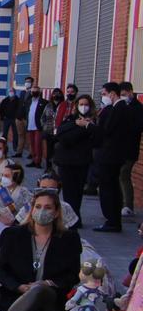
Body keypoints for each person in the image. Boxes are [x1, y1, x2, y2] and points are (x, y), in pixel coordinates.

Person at [53, 93, 95, 227]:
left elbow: (89, 136)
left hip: (81, 161)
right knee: (68, 191)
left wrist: (82, 128)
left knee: (77, 191)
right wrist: (76, 124)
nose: (84, 107)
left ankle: (75, 218)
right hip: (65, 161)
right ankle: (71, 218)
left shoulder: (92, 121)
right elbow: (60, 132)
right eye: (81, 104)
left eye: (86, 104)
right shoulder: (71, 118)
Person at [94, 82, 127, 232]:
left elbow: (107, 130)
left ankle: (112, 220)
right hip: (113, 155)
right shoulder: (119, 108)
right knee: (111, 186)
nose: (103, 97)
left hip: (110, 156)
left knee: (108, 187)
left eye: (104, 94)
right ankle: (113, 219)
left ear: (112, 94)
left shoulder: (118, 109)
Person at [118, 81, 143, 219]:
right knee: (120, 175)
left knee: (123, 174)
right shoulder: (122, 106)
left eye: (124, 94)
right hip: (120, 148)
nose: (123, 97)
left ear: (130, 93)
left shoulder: (137, 108)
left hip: (129, 148)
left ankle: (128, 206)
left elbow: (137, 127)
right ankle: (122, 203)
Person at [16, 76, 34, 159]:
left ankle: (31, 153)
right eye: (26, 81)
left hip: (28, 118)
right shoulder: (22, 93)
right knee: (20, 135)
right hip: (19, 117)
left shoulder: (34, 93)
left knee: (29, 136)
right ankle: (19, 152)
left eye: (29, 81)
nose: (27, 83)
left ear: (32, 83)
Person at [0, 88, 21, 155]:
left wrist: (17, 117)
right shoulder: (5, 100)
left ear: (14, 92)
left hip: (14, 119)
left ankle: (15, 147)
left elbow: (19, 109)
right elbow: (1, 109)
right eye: (10, 91)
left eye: (12, 91)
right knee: (4, 133)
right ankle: (3, 146)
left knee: (15, 133)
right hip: (7, 119)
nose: (11, 92)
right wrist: (2, 117)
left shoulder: (18, 100)